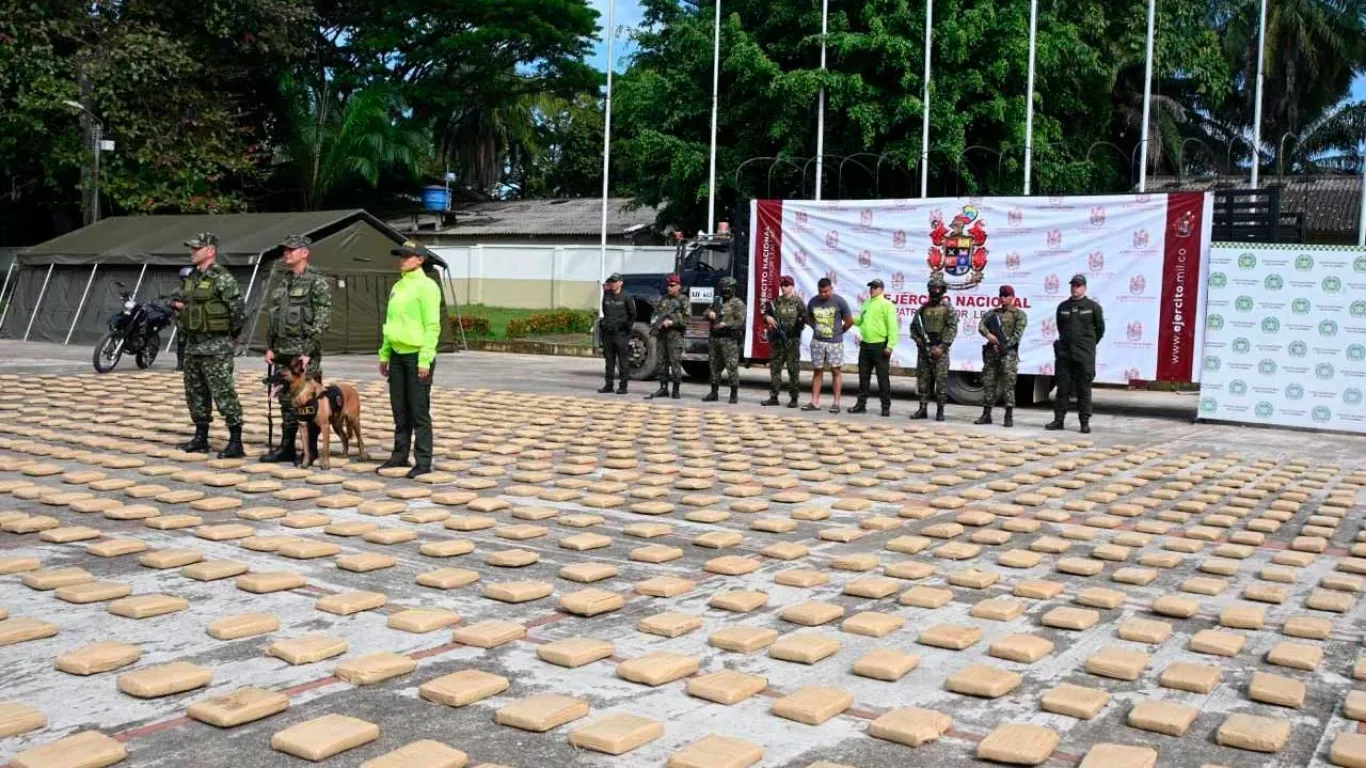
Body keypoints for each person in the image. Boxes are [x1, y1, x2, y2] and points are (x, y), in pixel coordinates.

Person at [170, 233, 246, 457]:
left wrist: (231, 335)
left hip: (216, 347)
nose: (192, 252)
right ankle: (200, 437)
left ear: (210, 251)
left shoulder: (222, 277)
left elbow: (238, 309)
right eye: (192, 248)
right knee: (195, 394)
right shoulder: (192, 277)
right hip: (193, 346)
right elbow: (188, 304)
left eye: (197, 248)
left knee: (224, 393)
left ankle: (235, 441)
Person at [260, 234, 333, 464]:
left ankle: (309, 451)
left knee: (308, 403)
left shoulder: (316, 282)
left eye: (292, 250)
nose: (287, 253)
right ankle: (287, 447)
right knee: (286, 403)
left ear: (305, 252)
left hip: (303, 354)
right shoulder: (284, 282)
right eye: (285, 250)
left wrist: (308, 351)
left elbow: (322, 319)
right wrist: (270, 346)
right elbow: (274, 317)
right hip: (283, 352)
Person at [378, 240, 443, 478]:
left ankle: (423, 460)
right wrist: (385, 354)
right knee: (400, 409)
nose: (401, 260)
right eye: (400, 256)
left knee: (419, 410)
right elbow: (390, 323)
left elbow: (432, 326)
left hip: (417, 356)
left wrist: (425, 359)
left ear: (420, 260)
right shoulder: (398, 286)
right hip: (396, 354)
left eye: (407, 256)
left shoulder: (427, 287)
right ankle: (399, 455)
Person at [1047, 274, 1105, 434]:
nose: (1075, 288)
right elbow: (1060, 327)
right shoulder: (1063, 307)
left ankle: (1084, 422)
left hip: (1084, 355)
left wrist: (1087, 345)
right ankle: (1059, 420)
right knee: (1062, 389)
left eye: (1078, 285)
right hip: (1065, 355)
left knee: (1083, 390)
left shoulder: (1093, 307)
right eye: (1073, 285)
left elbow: (1100, 330)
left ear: (1084, 288)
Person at [975, 285, 1028, 428]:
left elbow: (1018, 334)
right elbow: (981, 325)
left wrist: (1004, 345)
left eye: (1006, 296)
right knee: (989, 382)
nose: (1003, 298)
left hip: (1008, 354)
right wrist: (988, 335)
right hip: (992, 353)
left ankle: (1008, 415)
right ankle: (986, 414)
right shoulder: (993, 314)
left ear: (1012, 297)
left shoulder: (1019, 315)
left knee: (1008, 385)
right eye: (1001, 296)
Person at [803, 277, 854, 413]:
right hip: (818, 342)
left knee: (836, 371)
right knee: (817, 371)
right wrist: (815, 327)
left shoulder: (839, 302)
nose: (823, 294)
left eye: (826, 291)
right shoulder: (813, 301)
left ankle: (836, 403)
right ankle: (815, 402)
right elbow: (808, 318)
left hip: (835, 343)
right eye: (821, 292)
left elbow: (849, 321)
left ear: (831, 289)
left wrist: (840, 332)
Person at [849, 278, 899, 417]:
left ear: (882, 289)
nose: (872, 289)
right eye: (871, 287)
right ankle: (861, 404)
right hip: (865, 345)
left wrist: (890, 346)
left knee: (882, 378)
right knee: (863, 377)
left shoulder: (887, 305)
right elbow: (861, 321)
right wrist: (850, 319)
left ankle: (885, 406)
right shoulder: (866, 303)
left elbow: (893, 327)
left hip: (880, 345)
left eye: (875, 287)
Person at [909, 277, 957, 421]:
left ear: (943, 291)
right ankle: (922, 409)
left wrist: (942, 347)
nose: (935, 292)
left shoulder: (948, 308)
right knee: (924, 381)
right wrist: (919, 340)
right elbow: (913, 327)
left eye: (938, 289)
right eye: (933, 289)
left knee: (941, 382)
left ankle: (940, 410)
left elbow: (952, 328)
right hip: (925, 351)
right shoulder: (923, 309)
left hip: (940, 351)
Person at [761, 275, 806, 408]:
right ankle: (774, 397)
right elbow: (765, 314)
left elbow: (805, 317)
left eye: (786, 285)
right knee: (775, 369)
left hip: (792, 340)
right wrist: (767, 318)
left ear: (792, 286)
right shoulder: (776, 302)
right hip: (777, 341)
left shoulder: (798, 302)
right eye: (782, 285)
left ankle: (794, 398)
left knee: (793, 370)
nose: (783, 288)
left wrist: (801, 323)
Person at [704, 275, 746, 403]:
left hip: (729, 340)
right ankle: (713, 392)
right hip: (715, 338)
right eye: (723, 289)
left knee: (731, 367)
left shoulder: (737, 303)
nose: (725, 292)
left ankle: (733, 394)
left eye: (728, 289)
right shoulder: (717, 301)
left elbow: (741, 321)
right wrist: (709, 314)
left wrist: (727, 324)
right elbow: (705, 313)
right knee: (714, 367)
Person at [647, 274, 688, 400]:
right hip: (662, 335)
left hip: (675, 336)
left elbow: (687, 318)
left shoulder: (683, 300)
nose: (669, 288)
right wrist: (656, 323)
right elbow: (656, 314)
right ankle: (663, 388)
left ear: (678, 286)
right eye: (668, 285)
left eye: (672, 285)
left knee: (675, 362)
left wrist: (672, 322)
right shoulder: (664, 299)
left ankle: (676, 390)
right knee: (661, 362)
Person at [599, 273, 636, 395]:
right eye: (611, 282)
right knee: (609, 360)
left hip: (621, 333)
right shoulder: (607, 295)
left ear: (620, 283)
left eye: (614, 282)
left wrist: (626, 328)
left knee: (622, 360)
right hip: (608, 332)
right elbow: (605, 310)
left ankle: (623, 386)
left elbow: (632, 314)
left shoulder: (626, 297)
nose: (612, 284)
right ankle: (609, 384)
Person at [174, 266, 192, 372]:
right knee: (181, 342)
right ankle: (180, 364)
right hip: (182, 321)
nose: (186, 281)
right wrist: (175, 304)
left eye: (188, 278)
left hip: (196, 320)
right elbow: (169, 301)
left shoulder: (197, 290)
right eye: (184, 278)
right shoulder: (178, 290)